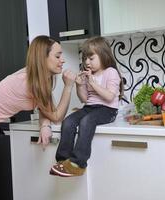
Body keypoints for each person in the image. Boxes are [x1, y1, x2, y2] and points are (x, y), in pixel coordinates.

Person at [0, 35, 76, 200]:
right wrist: (68, 86)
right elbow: (56, 115)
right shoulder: (28, 83)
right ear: (42, 58)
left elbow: (45, 110)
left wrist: (44, 125)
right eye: (58, 56)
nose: (63, 60)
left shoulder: (38, 78)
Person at [50, 36, 124, 177]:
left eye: (91, 58)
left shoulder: (110, 72)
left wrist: (93, 83)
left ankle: (78, 163)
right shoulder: (90, 75)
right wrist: (79, 84)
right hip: (90, 108)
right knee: (68, 121)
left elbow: (109, 97)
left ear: (103, 55)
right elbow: (84, 99)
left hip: (107, 110)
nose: (87, 62)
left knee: (86, 121)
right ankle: (63, 161)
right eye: (85, 59)